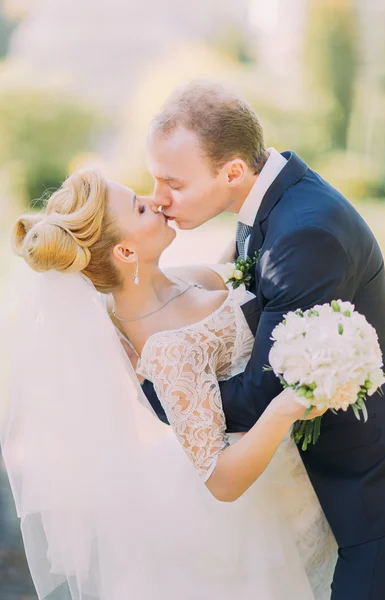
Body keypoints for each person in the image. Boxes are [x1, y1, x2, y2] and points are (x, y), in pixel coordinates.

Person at [1, 169, 336, 600]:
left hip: (298, 469)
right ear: (124, 250)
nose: (154, 201)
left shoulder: (175, 280)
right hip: (255, 509)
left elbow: (243, 280)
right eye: (140, 207)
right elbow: (221, 480)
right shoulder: (164, 349)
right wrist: (287, 406)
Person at [142, 80, 385, 600]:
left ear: (233, 170)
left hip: (376, 481)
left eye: (174, 183)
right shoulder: (271, 197)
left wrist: (153, 392)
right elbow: (234, 288)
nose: (158, 199)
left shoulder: (305, 233)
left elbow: (264, 393)